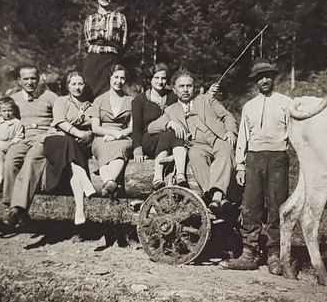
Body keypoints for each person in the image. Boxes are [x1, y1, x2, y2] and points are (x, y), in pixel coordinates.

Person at [220, 59, 292, 274]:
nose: (265, 80)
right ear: (255, 82)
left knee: (277, 206)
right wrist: (240, 166)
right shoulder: (249, 106)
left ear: (274, 78)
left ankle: (274, 255)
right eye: (260, 78)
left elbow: (295, 134)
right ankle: (248, 253)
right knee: (251, 206)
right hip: (254, 158)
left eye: (268, 76)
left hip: (278, 158)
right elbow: (242, 137)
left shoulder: (286, 103)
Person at [148, 68, 237, 211]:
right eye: (181, 86)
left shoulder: (206, 100)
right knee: (195, 155)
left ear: (194, 88)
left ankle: (216, 197)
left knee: (226, 152)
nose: (185, 90)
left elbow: (227, 116)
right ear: (174, 90)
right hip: (197, 145)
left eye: (189, 86)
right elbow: (151, 127)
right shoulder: (171, 110)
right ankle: (218, 196)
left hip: (218, 139)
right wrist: (170, 123)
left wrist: (230, 131)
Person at [2, 65, 58, 227]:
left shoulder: (50, 97)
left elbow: (60, 120)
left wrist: (46, 135)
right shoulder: (14, 99)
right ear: (19, 81)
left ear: (39, 78)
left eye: (33, 78)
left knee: (32, 160)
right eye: (25, 79)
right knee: (11, 159)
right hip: (21, 139)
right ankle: (17, 209)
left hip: (43, 139)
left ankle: (15, 209)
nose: (30, 82)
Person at [43, 72, 96, 225]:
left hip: (77, 144)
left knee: (73, 163)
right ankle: (86, 183)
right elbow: (59, 121)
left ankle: (79, 210)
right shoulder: (61, 101)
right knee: (68, 143)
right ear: (68, 86)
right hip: (56, 140)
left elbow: (94, 125)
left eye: (80, 84)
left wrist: (88, 134)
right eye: (73, 84)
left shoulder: (90, 106)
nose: (77, 87)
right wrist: (78, 132)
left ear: (85, 85)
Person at [131, 63, 189, 191]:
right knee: (168, 135)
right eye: (156, 78)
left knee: (174, 134)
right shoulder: (140, 100)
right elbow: (137, 127)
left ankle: (180, 175)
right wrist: (137, 149)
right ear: (150, 79)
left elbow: (188, 100)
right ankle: (158, 176)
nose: (160, 81)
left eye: (163, 78)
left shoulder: (172, 96)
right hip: (149, 139)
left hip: (173, 138)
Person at [89, 64, 134, 198]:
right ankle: (110, 182)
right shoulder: (99, 100)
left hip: (123, 136)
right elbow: (95, 127)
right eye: (116, 77)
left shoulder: (130, 100)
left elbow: (133, 126)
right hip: (102, 136)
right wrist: (110, 133)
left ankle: (109, 182)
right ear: (110, 78)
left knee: (120, 149)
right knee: (103, 149)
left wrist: (120, 134)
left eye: (122, 78)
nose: (118, 81)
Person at [80, 0, 127, 101]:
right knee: (89, 89)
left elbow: (123, 42)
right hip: (93, 60)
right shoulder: (89, 19)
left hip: (111, 59)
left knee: (109, 91)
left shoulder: (120, 18)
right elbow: (86, 43)